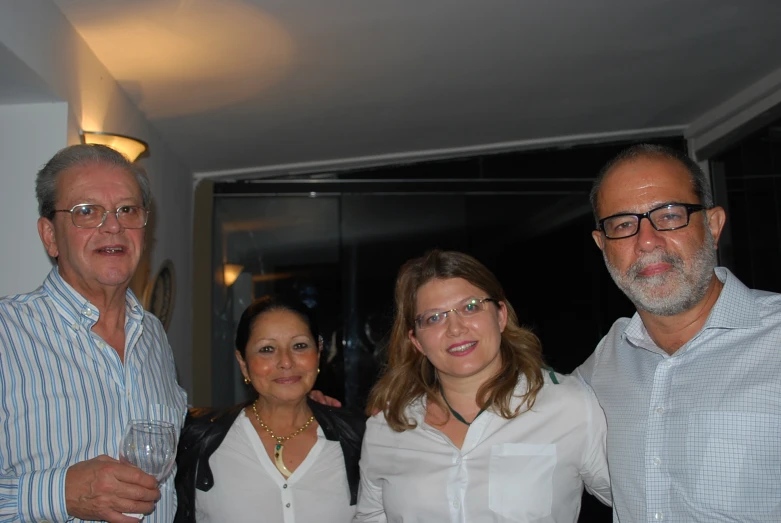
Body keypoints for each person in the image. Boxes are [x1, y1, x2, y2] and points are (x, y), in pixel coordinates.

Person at [577, 143, 781, 522]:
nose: (647, 241)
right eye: (623, 224)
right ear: (602, 245)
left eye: (669, 215)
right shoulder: (600, 367)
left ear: (713, 225)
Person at [0, 144, 187, 522]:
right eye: (87, 212)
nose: (114, 225)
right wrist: (59, 492)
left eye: (127, 210)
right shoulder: (6, 333)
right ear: (50, 236)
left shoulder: (153, 336)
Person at [356, 250, 611, 522]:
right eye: (434, 318)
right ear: (417, 341)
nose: (455, 328)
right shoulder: (387, 427)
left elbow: (638, 499)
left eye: (470, 307)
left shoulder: (569, 406)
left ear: (500, 316)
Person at [174, 295, 365, 523]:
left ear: (319, 353)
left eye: (300, 345)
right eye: (267, 349)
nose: (286, 361)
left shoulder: (358, 438)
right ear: (243, 363)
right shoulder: (197, 438)